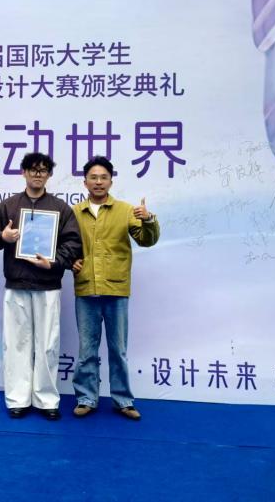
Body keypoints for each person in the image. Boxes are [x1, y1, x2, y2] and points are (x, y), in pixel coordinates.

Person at [0, 152, 82, 420]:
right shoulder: (9, 206)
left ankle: (47, 400)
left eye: (43, 170)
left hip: (48, 286)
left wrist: (54, 262)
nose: (38, 174)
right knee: (16, 344)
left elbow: (73, 244)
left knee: (48, 344)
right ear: (23, 173)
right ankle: (18, 399)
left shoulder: (61, 209)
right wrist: (3, 236)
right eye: (33, 170)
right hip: (16, 284)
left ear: (49, 175)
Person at [71, 156, 160, 420]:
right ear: (85, 182)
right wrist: (69, 261)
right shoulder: (74, 213)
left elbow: (146, 240)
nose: (98, 182)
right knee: (87, 350)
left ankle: (123, 400)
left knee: (118, 350)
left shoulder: (126, 211)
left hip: (116, 290)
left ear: (111, 181)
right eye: (93, 177)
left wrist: (148, 220)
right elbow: (64, 245)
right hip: (86, 289)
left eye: (104, 177)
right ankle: (86, 398)